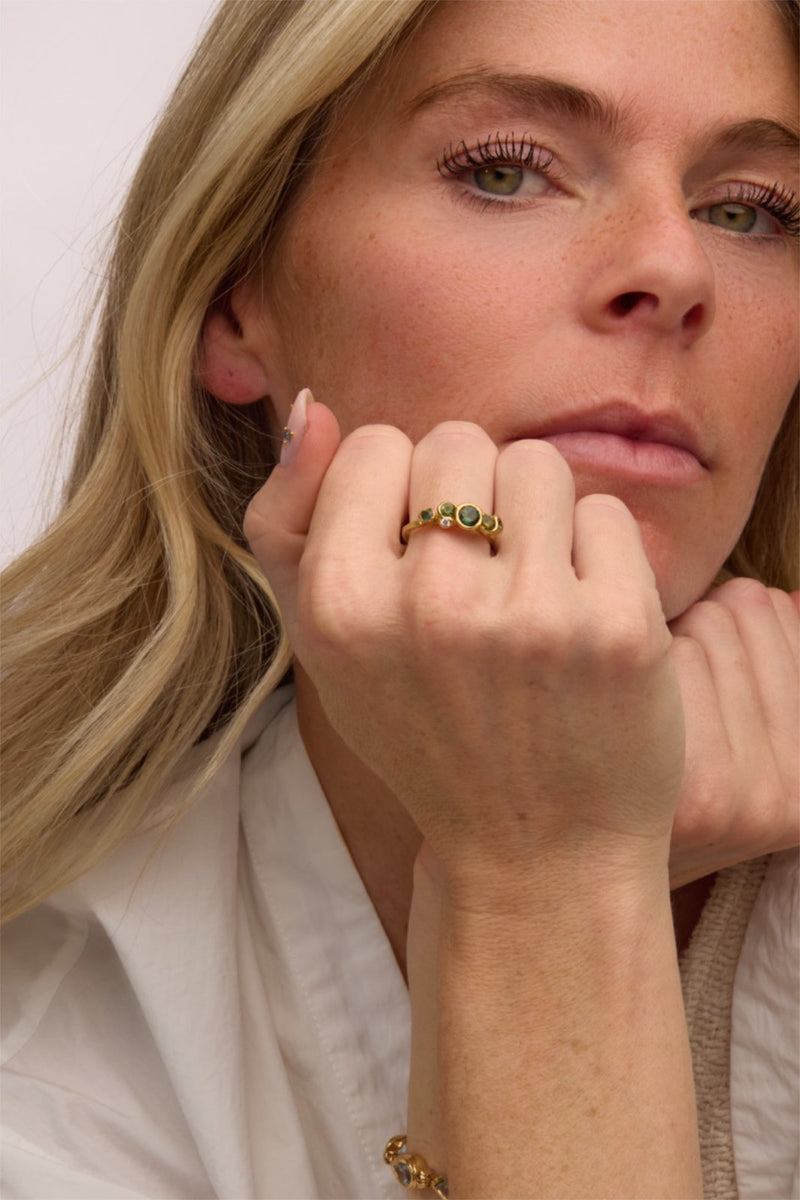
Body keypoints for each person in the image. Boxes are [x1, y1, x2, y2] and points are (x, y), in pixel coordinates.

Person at [1, 0, 798, 1196]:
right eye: (504, 172)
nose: (674, 270)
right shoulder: (51, 1062)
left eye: (745, 209)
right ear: (235, 303)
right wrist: (553, 873)